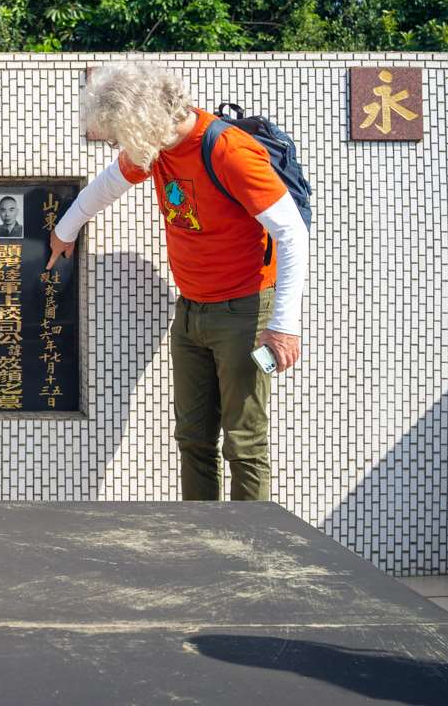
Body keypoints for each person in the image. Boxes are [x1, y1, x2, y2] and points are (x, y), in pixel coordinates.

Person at [47, 63, 308, 502]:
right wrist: (64, 231)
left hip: (244, 311)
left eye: (117, 134)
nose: (117, 144)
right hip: (190, 311)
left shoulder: (227, 150)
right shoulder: (157, 146)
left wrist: (283, 325)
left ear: (140, 120)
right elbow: (109, 184)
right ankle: (202, 543)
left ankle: (248, 552)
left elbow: (291, 231)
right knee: (193, 439)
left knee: (243, 442)